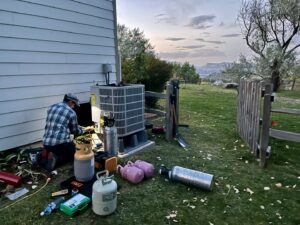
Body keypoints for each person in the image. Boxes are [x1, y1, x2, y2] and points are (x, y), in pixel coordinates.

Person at [41, 93, 94, 171]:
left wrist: (82, 127)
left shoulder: (51, 107)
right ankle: (56, 157)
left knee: (56, 148)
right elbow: (75, 131)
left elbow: (60, 124)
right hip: (60, 144)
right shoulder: (71, 113)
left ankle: (46, 152)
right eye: (74, 104)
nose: (74, 107)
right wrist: (85, 130)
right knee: (75, 153)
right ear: (71, 102)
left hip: (46, 142)